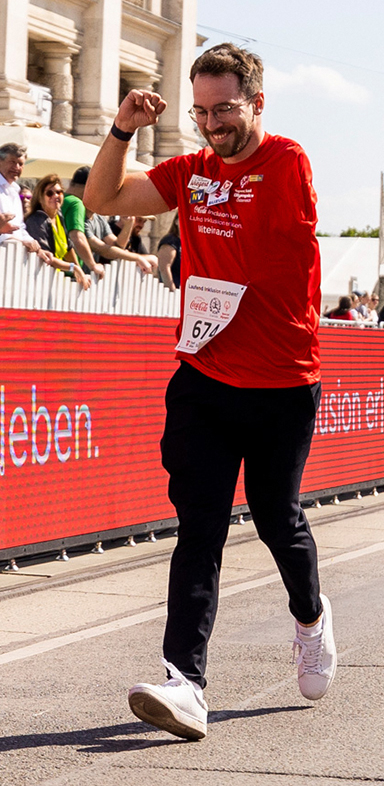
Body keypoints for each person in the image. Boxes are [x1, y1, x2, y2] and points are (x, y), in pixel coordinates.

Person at [85, 42, 336, 741]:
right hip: (203, 377)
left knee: (275, 513)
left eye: (224, 109)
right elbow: (100, 199)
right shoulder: (189, 171)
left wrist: (200, 222)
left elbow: (256, 246)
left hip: (283, 380)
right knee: (199, 528)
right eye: (200, 112)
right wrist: (123, 129)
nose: (212, 126)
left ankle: (310, 619)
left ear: (257, 103)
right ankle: (185, 683)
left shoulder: (287, 162)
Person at [64, 167, 158, 276]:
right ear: (90, 188)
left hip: (81, 278)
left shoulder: (98, 217)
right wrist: (138, 257)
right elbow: (103, 249)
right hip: (67, 277)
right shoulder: (75, 206)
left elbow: (117, 246)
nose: (106, 196)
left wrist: (129, 224)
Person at [24, 173, 91, 289]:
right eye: (49, 193)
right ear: (40, 198)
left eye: (59, 192)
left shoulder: (59, 216)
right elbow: (46, 256)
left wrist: (79, 271)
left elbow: (68, 249)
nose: (55, 196)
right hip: (37, 282)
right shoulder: (36, 221)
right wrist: (73, 268)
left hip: (54, 280)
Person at [156, 217, 181, 290]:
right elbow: (164, 268)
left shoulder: (188, 243)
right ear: (176, 221)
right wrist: (171, 289)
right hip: (170, 292)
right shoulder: (171, 241)